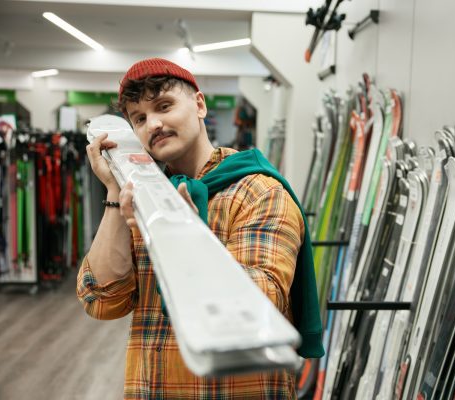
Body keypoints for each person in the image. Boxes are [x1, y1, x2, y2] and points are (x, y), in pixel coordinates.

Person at [77, 58, 323, 399]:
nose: (154, 124)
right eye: (140, 118)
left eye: (164, 106)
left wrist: (184, 240)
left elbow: (260, 302)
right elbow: (102, 299)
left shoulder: (259, 192)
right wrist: (115, 190)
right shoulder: (146, 195)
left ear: (199, 104)